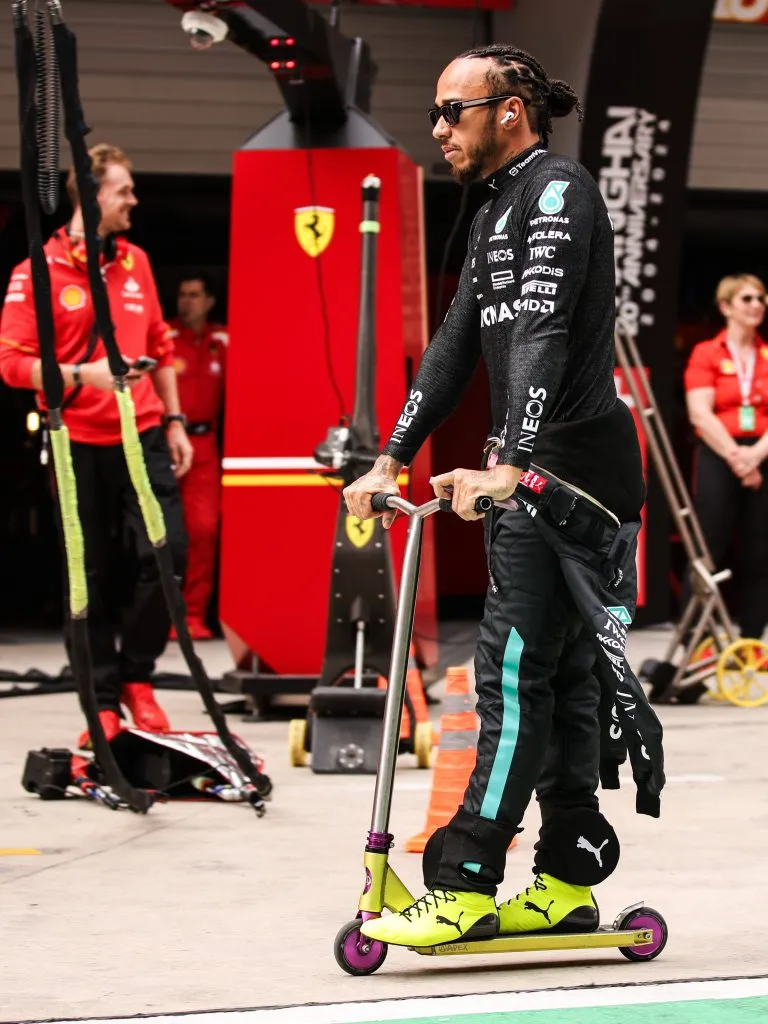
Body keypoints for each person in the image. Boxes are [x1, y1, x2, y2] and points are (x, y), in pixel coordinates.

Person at [344, 44, 664, 947]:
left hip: (572, 474)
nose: (439, 128)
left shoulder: (558, 189)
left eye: (454, 110)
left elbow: (545, 331)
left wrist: (511, 462)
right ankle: (565, 879)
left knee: (513, 676)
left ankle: (466, 879)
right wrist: (387, 460)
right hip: (534, 470)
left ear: (511, 109)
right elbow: (453, 349)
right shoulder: (493, 214)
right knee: (560, 682)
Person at [0, 143, 192, 747]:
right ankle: (102, 701)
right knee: (89, 574)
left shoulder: (134, 260)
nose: (134, 199)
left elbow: (160, 347)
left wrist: (178, 421)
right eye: (124, 190)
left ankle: (137, 678)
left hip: (143, 433)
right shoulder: (37, 268)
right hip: (74, 439)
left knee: (169, 557)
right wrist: (83, 376)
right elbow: (11, 364)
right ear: (91, 192)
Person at [684, 274, 768, 641]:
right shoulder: (707, 351)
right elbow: (700, 412)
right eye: (747, 298)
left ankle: (752, 639)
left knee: (760, 550)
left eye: (762, 298)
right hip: (721, 452)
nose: (757, 305)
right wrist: (738, 459)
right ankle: (694, 638)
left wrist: (755, 456)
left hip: (762, 452)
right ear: (726, 307)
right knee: (708, 547)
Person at [168, 274, 227, 641]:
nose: (186, 301)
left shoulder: (223, 341)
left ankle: (192, 616)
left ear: (209, 301)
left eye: (194, 295)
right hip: (161, 442)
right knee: (160, 534)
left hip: (204, 446)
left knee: (203, 531)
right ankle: (159, 617)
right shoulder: (163, 337)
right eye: (182, 294)